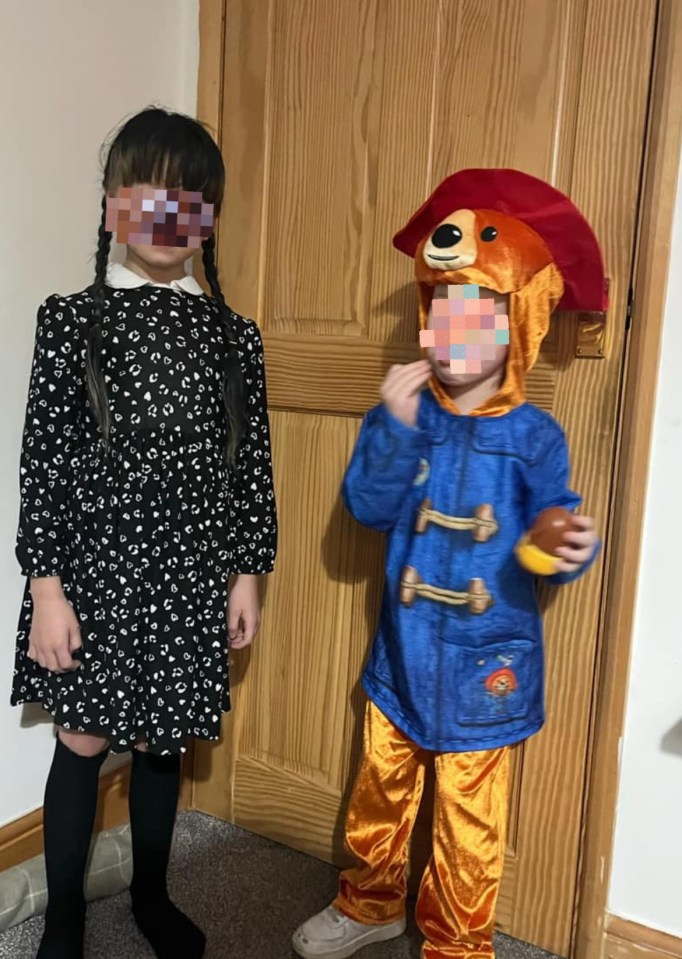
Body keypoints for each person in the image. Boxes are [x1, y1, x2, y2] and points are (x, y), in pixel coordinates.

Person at [292, 169, 603, 959]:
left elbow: (547, 544)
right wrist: (394, 430)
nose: (452, 335)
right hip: (400, 658)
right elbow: (366, 508)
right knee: (380, 789)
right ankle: (369, 902)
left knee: (470, 823)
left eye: (479, 317)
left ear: (520, 325)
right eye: (440, 313)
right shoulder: (398, 413)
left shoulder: (536, 436)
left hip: (486, 672)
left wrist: (560, 545)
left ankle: (460, 943)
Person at [12, 107, 277, 959]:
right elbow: (43, 464)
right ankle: (61, 919)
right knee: (82, 740)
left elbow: (251, 469)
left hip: (191, 574)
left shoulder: (234, 337)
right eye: (148, 192)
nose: (168, 215)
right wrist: (45, 587)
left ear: (211, 216)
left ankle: (153, 893)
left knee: (165, 744)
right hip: (92, 576)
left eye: (189, 197)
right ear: (111, 206)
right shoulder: (69, 319)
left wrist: (247, 574)